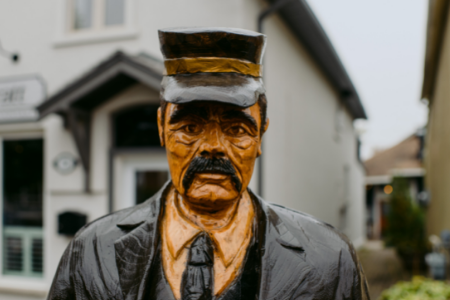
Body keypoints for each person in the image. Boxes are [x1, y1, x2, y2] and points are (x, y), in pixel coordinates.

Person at [47, 27, 370, 300]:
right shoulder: (90, 250)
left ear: (260, 136)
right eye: (189, 128)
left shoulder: (330, 258)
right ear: (162, 128)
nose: (213, 147)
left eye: (236, 129)